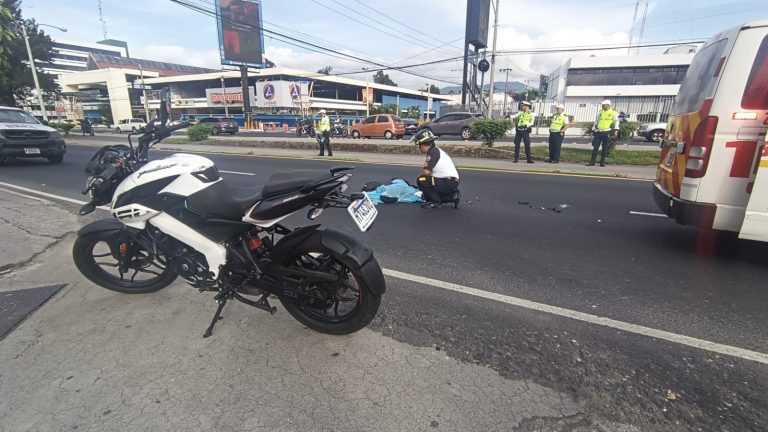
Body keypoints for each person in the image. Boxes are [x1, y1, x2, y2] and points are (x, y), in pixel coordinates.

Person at [411, 129, 461, 209]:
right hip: (451, 182)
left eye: (419, 145)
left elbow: (426, 172)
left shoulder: (433, 152)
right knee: (428, 189)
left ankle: (435, 202)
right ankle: (452, 197)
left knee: (421, 180)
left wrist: (419, 178)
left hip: (447, 182)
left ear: (424, 144)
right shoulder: (436, 150)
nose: (419, 147)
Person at [587, 100, 619, 167]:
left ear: (608, 105)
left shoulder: (613, 112)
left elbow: (616, 121)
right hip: (598, 132)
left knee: (604, 148)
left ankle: (602, 163)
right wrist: (593, 131)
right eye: (602, 105)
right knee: (595, 147)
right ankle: (592, 162)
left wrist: (616, 130)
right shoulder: (600, 112)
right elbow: (596, 121)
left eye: (604, 105)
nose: (602, 106)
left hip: (607, 132)